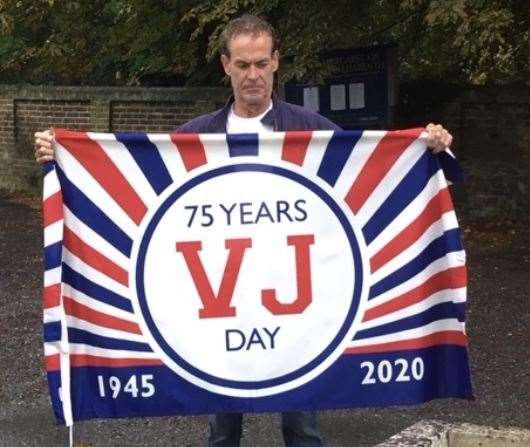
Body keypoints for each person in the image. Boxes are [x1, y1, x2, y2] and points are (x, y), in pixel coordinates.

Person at [34, 14, 453, 447]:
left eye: (260, 63)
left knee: (303, 425)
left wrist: (426, 145)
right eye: (242, 64)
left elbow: (368, 171)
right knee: (221, 427)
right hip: (221, 310)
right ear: (225, 65)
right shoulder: (195, 138)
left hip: (296, 312)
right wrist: (61, 155)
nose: (252, 75)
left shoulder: (311, 131)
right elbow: (140, 190)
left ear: (275, 63)